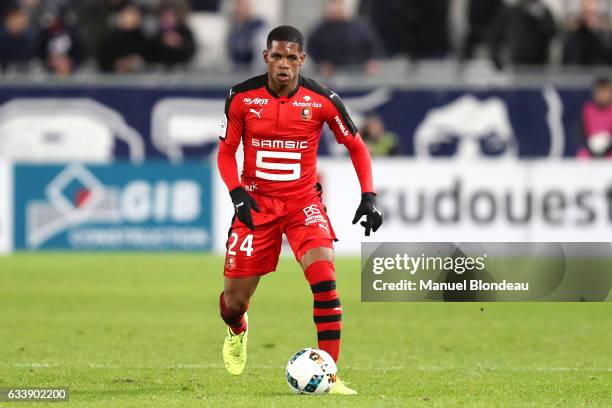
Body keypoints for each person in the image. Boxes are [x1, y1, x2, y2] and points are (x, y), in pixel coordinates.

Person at [217, 25, 383, 395]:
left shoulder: (322, 99)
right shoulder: (241, 97)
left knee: (325, 282)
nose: (284, 65)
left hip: (302, 204)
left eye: (291, 57)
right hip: (256, 207)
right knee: (233, 302)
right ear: (266, 58)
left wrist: (368, 195)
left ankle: (332, 376)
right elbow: (227, 151)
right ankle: (237, 327)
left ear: (301, 60)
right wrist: (237, 193)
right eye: (277, 56)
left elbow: (356, 146)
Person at [308, 0, 383, 76]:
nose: (336, 7)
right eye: (333, 4)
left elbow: (374, 47)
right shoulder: (320, 30)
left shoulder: (361, 27)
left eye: (340, 4)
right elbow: (312, 49)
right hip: (331, 74)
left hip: (358, 71)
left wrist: (372, 62)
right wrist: (322, 63)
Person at [226, 0, 267, 69]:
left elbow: (261, 52)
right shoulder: (234, 27)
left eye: (243, 5)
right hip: (237, 69)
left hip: (252, 70)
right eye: (238, 5)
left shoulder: (258, 25)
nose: (240, 9)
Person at [577, 77, 612, 158]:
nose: (603, 95)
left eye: (606, 91)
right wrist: (591, 144)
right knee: (582, 155)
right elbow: (580, 133)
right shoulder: (587, 110)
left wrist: (607, 142)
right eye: (600, 91)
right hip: (590, 152)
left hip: (610, 152)